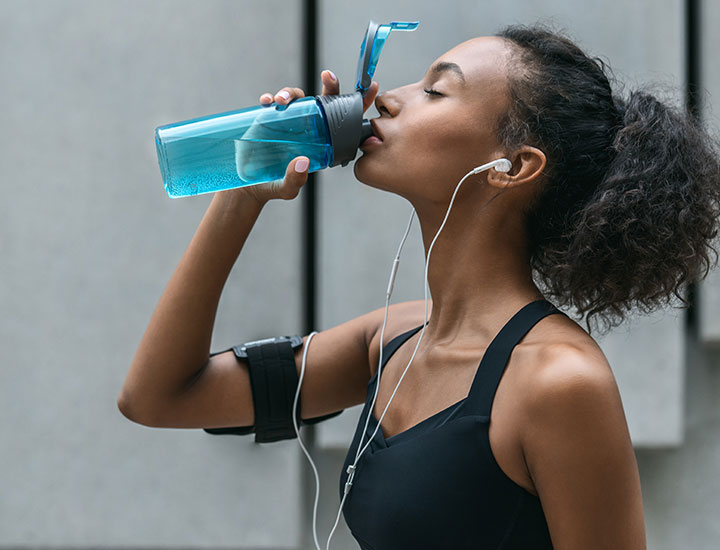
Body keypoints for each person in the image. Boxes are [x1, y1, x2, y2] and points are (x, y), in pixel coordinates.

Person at [118, 23, 720, 549]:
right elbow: (161, 397)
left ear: (512, 167)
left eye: (435, 90)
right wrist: (241, 195)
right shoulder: (394, 341)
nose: (386, 100)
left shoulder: (558, 383)